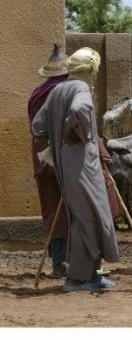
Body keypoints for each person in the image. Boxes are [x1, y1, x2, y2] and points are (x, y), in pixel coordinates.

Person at [32, 47, 120, 292]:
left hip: (65, 162)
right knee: (92, 218)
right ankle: (78, 279)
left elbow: (38, 126)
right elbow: (79, 111)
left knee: (83, 218)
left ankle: (88, 276)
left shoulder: (56, 90)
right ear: (91, 70)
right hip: (83, 163)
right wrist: (83, 135)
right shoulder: (81, 88)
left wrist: (59, 140)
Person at [28, 44, 70, 278]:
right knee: (70, 206)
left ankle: (57, 262)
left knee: (51, 206)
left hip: (40, 153)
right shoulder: (65, 91)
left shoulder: (37, 93)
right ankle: (65, 262)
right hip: (61, 152)